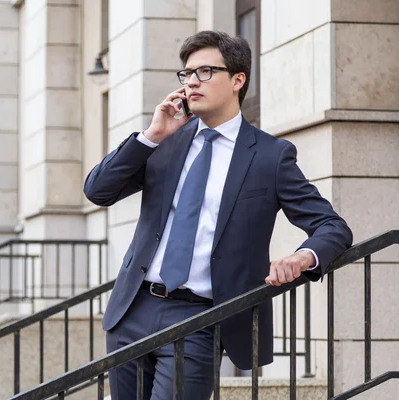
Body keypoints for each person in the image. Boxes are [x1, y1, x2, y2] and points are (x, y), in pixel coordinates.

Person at [84, 31, 353, 400]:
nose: (192, 81)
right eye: (187, 73)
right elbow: (98, 191)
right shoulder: (166, 141)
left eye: (205, 71)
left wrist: (303, 255)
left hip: (199, 320)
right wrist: (150, 135)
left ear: (238, 80)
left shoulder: (269, 156)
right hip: (133, 310)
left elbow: (332, 226)